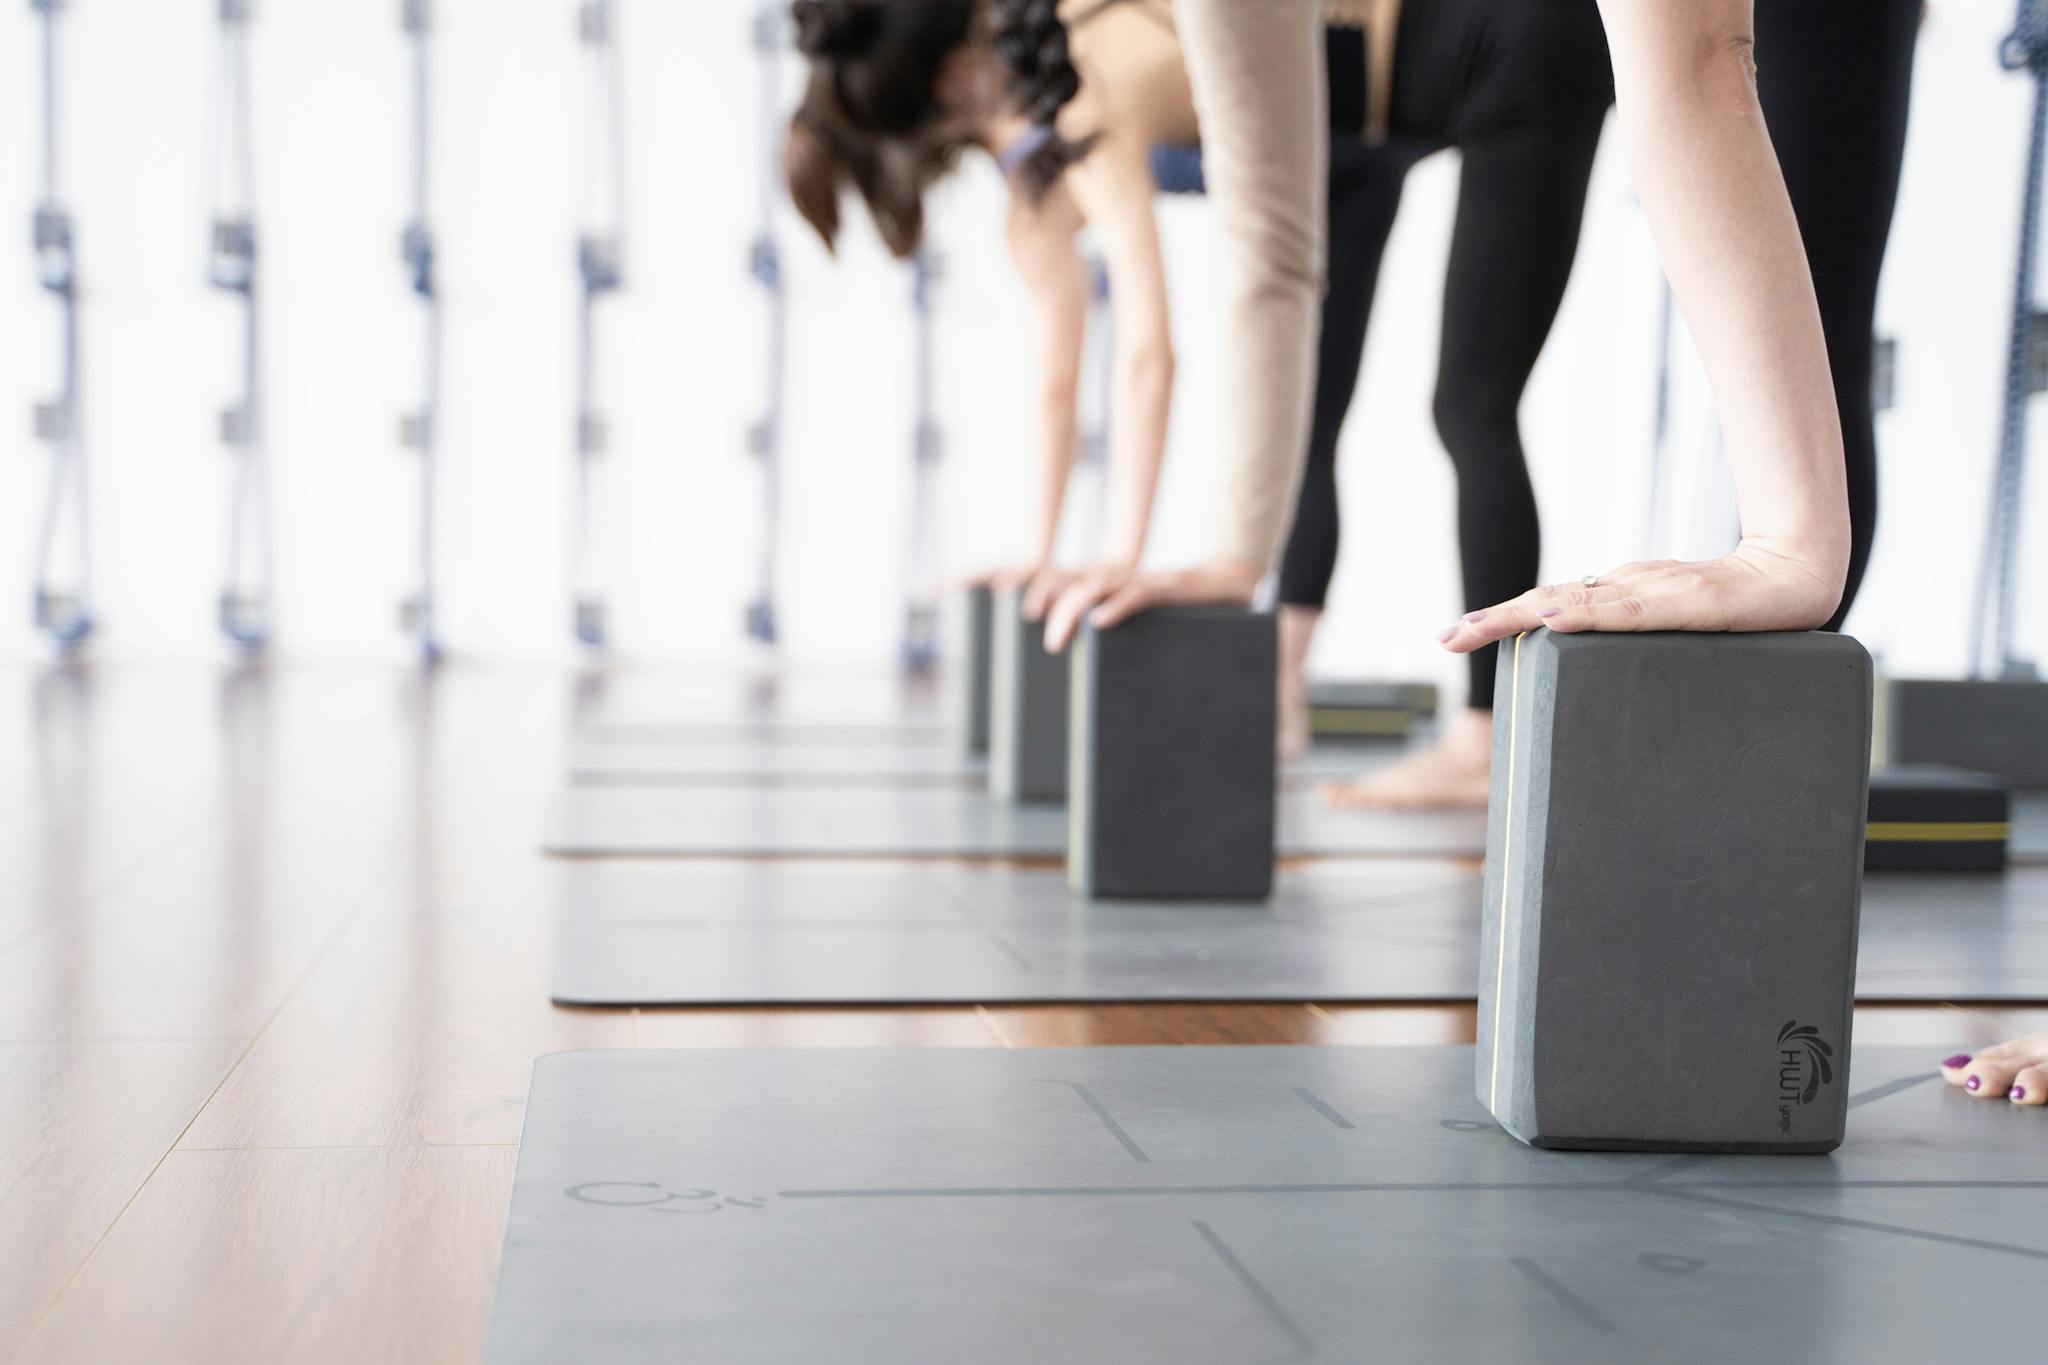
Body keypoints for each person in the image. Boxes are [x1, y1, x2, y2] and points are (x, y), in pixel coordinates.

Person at [1039, 0, 1856, 681]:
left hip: (1522, 61)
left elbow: (1702, 60)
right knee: (1401, 409)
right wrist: (1231, 558)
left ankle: (1479, 731)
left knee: (1471, 407)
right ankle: (1335, 697)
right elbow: (1273, 247)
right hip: (1416, 117)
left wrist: (1788, 543)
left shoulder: (1088, 87)